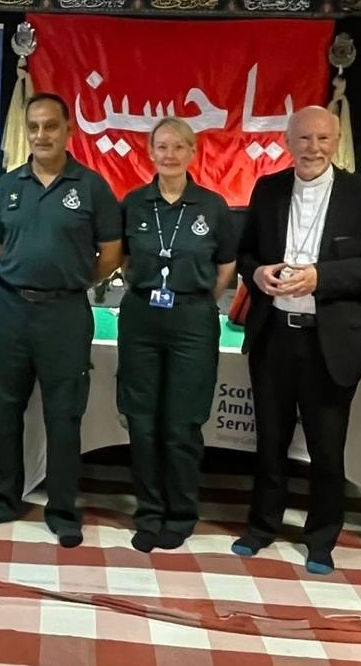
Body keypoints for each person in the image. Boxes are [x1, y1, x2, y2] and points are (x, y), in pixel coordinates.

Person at [231, 105, 361, 573]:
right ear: (288, 141)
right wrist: (257, 272)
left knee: (327, 449)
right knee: (269, 442)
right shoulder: (268, 188)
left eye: (323, 139)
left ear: (336, 140)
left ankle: (321, 538)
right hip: (273, 339)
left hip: (331, 343)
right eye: (304, 139)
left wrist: (321, 277)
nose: (314, 148)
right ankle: (262, 526)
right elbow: (246, 252)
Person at [0, 93, 122, 548]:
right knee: (1, 410)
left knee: (64, 415)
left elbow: (111, 254)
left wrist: (69, 278)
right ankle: (2, 498)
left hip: (64, 313)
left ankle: (61, 509)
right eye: (34, 126)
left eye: (50, 126)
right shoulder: (8, 185)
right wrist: (26, 271)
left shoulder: (92, 186)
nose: (41, 135)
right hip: (11, 310)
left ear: (68, 130)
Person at [117, 117, 237, 552]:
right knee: (143, 420)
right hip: (142, 317)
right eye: (161, 147)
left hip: (192, 320)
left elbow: (226, 265)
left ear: (192, 152)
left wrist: (196, 298)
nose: (169, 154)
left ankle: (182, 513)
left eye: (178, 147)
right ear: (150, 152)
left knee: (182, 423)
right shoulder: (133, 203)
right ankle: (148, 513)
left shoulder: (211, 205)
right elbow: (124, 260)